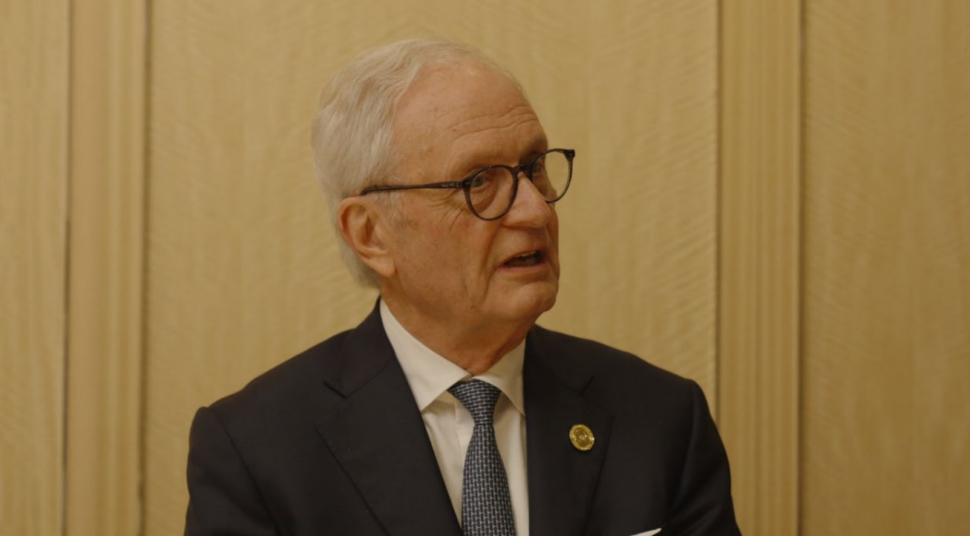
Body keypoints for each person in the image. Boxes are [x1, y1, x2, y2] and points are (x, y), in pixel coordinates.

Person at [185, 37, 741, 536]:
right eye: (479, 181)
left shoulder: (663, 418)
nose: (535, 209)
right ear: (371, 234)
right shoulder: (256, 449)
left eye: (534, 167)